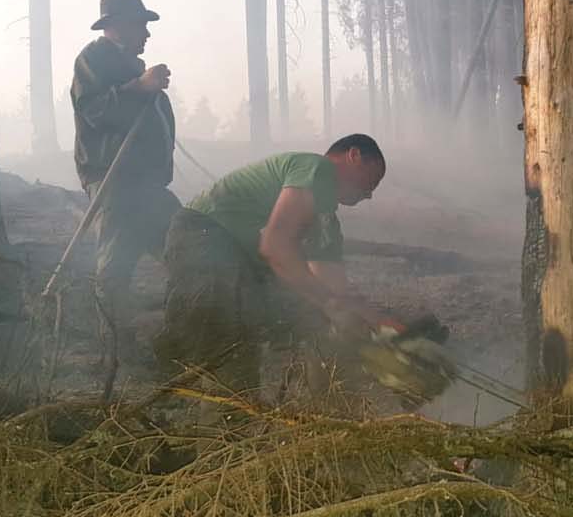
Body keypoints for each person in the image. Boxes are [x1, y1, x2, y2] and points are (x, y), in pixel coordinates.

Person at [157, 134, 404, 401]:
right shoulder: (316, 169)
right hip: (203, 235)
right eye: (373, 180)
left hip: (236, 255)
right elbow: (275, 247)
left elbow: (335, 286)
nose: (369, 194)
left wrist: (379, 321)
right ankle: (220, 424)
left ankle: (329, 406)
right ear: (353, 155)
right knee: (228, 349)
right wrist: (329, 303)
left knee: (310, 319)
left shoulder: (325, 219)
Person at [71, 0, 180, 358]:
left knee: (185, 245)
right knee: (116, 265)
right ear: (115, 27)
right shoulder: (93, 60)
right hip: (114, 180)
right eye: (140, 26)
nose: (147, 35)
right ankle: (118, 350)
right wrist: (139, 88)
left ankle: (183, 329)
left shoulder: (133, 66)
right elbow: (94, 110)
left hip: (146, 184)